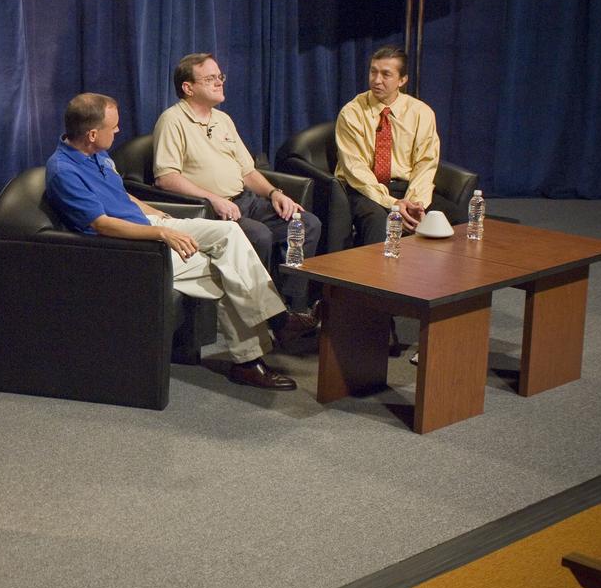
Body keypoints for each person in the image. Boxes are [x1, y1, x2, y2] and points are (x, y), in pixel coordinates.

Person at [45, 93, 316, 391]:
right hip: (128, 248)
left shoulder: (98, 154)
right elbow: (102, 224)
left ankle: (276, 321)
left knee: (231, 234)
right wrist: (162, 233)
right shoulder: (64, 171)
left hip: (149, 225)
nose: (119, 131)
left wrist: (159, 215)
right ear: (92, 134)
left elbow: (122, 197)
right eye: (114, 127)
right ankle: (252, 357)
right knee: (226, 270)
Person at [152, 52, 322, 316]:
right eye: (210, 78)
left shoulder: (223, 119)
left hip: (246, 201)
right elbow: (167, 178)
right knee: (260, 236)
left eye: (220, 76)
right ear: (188, 88)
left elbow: (247, 171)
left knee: (306, 224)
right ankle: (267, 316)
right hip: (212, 211)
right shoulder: (172, 121)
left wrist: (275, 193)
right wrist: (213, 199)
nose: (219, 82)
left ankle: (291, 308)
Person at [334, 45, 440, 245]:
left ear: (402, 80)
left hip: (405, 188)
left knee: (446, 219)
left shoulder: (421, 113)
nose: (376, 80)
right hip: (363, 190)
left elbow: (426, 163)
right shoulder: (352, 113)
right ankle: (372, 277)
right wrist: (393, 204)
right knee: (379, 222)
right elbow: (355, 170)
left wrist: (415, 203)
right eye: (373, 72)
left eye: (386, 74)